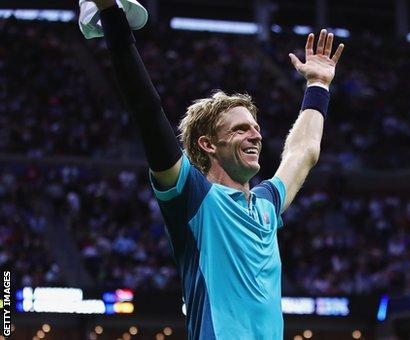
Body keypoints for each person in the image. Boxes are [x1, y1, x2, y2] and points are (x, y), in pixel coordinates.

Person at [89, 0, 344, 338]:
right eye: (240, 129)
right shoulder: (193, 197)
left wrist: (318, 86)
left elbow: (304, 152)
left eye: (255, 127)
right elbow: (146, 109)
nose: (255, 134)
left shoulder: (266, 203)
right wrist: (111, 14)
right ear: (208, 144)